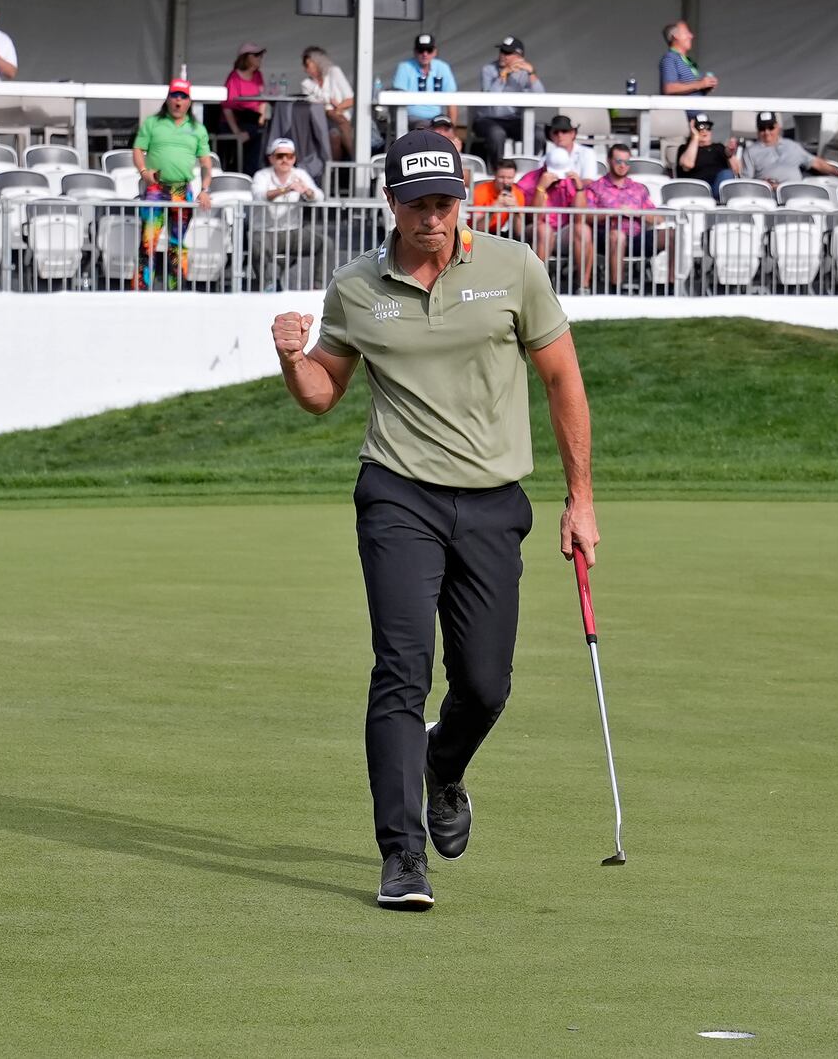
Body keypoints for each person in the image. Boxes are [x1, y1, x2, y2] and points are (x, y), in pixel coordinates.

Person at [269, 128, 598, 911]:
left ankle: (442, 768)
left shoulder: (513, 269)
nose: (432, 217)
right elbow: (324, 393)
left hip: (492, 502)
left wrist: (580, 497)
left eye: (445, 202)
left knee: (484, 685)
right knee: (401, 671)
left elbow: (562, 379)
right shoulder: (357, 286)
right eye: (417, 204)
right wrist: (292, 358)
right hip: (398, 497)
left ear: (464, 199)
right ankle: (401, 855)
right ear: (391, 203)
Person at [131, 79, 213, 290]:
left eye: (183, 96)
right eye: (175, 95)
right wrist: (143, 172)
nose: (178, 100)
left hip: (181, 189)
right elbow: (138, 149)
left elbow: (205, 163)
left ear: (189, 101)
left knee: (177, 243)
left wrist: (204, 190)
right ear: (167, 99)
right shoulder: (152, 123)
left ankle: (177, 289)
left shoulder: (197, 128)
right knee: (148, 241)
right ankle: (141, 290)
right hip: (156, 188)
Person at [522, 116, 601, 290]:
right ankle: (538, 287)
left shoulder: (576, 171)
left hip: (565, 229)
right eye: (556, 131)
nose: (560, 135)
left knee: (583, 230)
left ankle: (584, 286)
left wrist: (579, 189)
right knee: (543, 229)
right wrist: (541, 188)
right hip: (541, 227)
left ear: (573, 133)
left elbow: (580, 215)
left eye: (564, 131)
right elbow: (535, 217)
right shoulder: (536, 174)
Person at [587, 144, 675, 291]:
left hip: (638, 238)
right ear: (609, 160)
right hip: (606, 237)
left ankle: (671, 287)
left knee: (672, 234)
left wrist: (638, 213)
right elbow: (587, 217)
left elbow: (658, 219)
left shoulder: (638, 189)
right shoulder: (596, 187)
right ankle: (616, 288)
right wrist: (614, 212)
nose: (623, 166)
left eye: (626, 162)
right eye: (618, 161)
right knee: (617, 236)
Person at [251, 137, 328, 289]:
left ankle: (318, 288)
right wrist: (286, 189)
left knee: (325, 244)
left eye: (289, 156)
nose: (285, 160)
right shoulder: (261, 175)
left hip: (292, 231)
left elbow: (319, 196)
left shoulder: (300, 174)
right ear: (271, 158)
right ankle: (265, 286)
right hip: (265, 231)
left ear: (294, 158)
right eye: (280, 156)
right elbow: (259, 195)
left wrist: (307, 191)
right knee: (256, 246)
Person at [741, 111, 838, 188]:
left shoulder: (791, 145)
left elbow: (818, 163)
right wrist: (763, 184)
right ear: (757, 130)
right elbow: (747, 182)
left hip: (795, 193)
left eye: (770, 127)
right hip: (767, 196)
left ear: (778, 127)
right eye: (762, 128)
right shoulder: (750, 151)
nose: (767, 132)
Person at [473, 37, 544, 160]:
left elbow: (540, 97)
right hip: (488, 119)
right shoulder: (488, 69)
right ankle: (499, 173)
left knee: (538, 134)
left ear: (519, 56)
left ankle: (529, 170)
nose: (502, 55)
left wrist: (532, 73)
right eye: (501, 51)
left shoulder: (524, 72)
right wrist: (503, 74)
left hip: (514, 120)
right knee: (497, 134)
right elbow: (491, 99)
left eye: (507, 53)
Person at [393, 34, 459, 130]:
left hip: (436, 117)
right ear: (415, 52)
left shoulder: (443, 67)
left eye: (429, 50)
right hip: (412, 116)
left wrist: (452, 129)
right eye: (421, 50)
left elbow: (452, 101)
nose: (425, 54)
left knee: (445, 129)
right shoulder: (404, 67)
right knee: (426, 129)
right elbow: (397, 98)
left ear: (435, 52)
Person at [222, 43, 268, 175]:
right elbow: (227, 107)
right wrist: (237, 132)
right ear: (246, 58)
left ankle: (252, 176)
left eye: (261, 55)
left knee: (261, 130)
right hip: (233, 122)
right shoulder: (234, 77)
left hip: (251, 121)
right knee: (255, 133)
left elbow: (262, 100)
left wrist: (261, 118)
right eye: (256, 55)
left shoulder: (258, 75)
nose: (260, 58)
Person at [302, 46, 355, 161]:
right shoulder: (306, 84)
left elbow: (351, 99)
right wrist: (332, 108)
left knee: (336, 131)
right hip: (323, 118)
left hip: (341, 116)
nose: (306, 69)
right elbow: (315, 105)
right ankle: (345, 166)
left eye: (308, 64)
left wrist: (337, 108)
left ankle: (349, 164)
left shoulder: (334, 72)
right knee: (335, 133)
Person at [658, 20, 716, 123]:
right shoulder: (670, 58)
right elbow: (669, 88)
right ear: (675, 36)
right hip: (679, 123)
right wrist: (700, 84)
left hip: (693, 121)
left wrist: (705, 87)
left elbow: (691, 89)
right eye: (686, 33)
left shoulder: (687, 61)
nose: (691, 36)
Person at [675, 114, 740, 199]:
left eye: (708, 127)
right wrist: (695, 137)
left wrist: (730, 154)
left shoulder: (719, 147)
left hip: (717, 191)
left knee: (727, 173)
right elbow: (688, 164)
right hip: (695, 191)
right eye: (700, 128)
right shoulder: (685, 148)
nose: (704, 131)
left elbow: (736, 171)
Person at [470, 159, 526, 239]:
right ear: (495, 176)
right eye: (502, 177)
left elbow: (519, 232)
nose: (505, 181)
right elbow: (477, 228)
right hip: (477, 235)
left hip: (498, 233)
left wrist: (516, 211)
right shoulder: (480, 191)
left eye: (509, 178)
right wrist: (493, 209)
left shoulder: (517, 194)